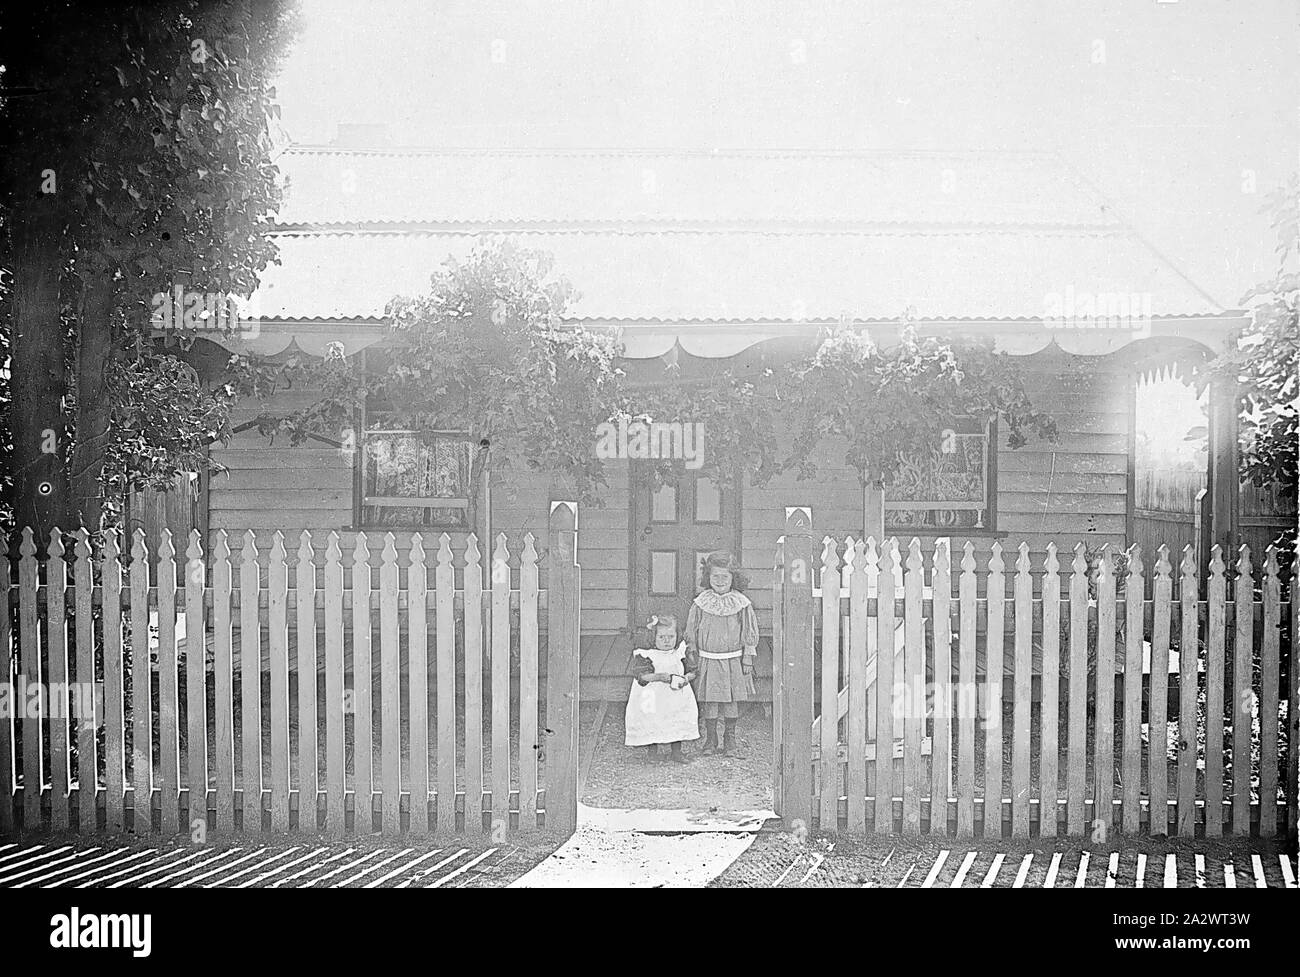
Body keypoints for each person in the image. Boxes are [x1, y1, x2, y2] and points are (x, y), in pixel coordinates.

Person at [686, 551, 758, 756]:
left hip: (733, 659)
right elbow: (692, 629)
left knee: (730, 700)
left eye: (724, 577)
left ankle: (730, 740)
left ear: (733, 578)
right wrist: (693, 652)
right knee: (710, 700)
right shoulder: (701, 602)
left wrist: (747, 657)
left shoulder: (741, 603)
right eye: (715, 576)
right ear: (708, 577)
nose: (719, 581)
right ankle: (711, 739)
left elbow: (749, 631)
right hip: (708, 659)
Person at [625, 614, 699, 763]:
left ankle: (676, 752)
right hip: (653, 696)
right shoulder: (647, 654)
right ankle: (653, 753)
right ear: (653, 637)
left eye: (671, 637)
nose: (667, 641)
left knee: (676, 718)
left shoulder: (679, 653)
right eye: (662, 637)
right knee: (652, 719)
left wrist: (686, 679)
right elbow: (642, 677)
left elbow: (693, 671)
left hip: (675, 695)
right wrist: (659, 677)